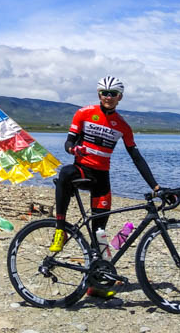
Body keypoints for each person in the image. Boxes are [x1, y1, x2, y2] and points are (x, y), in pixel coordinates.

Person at [50, 75, 161, 296]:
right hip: (82, 170)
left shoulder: (123, 126)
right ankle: (60, 230)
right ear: (99, 94)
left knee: (98, 232)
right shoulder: (83, 113)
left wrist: (156, 186)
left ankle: (96, 285)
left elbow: (136, 157)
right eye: (104, 93)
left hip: (102, 179)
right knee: (64, 173)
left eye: (113, 94)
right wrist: (74, 150)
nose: (108, 97)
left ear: (120, 97)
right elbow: (69, 142)